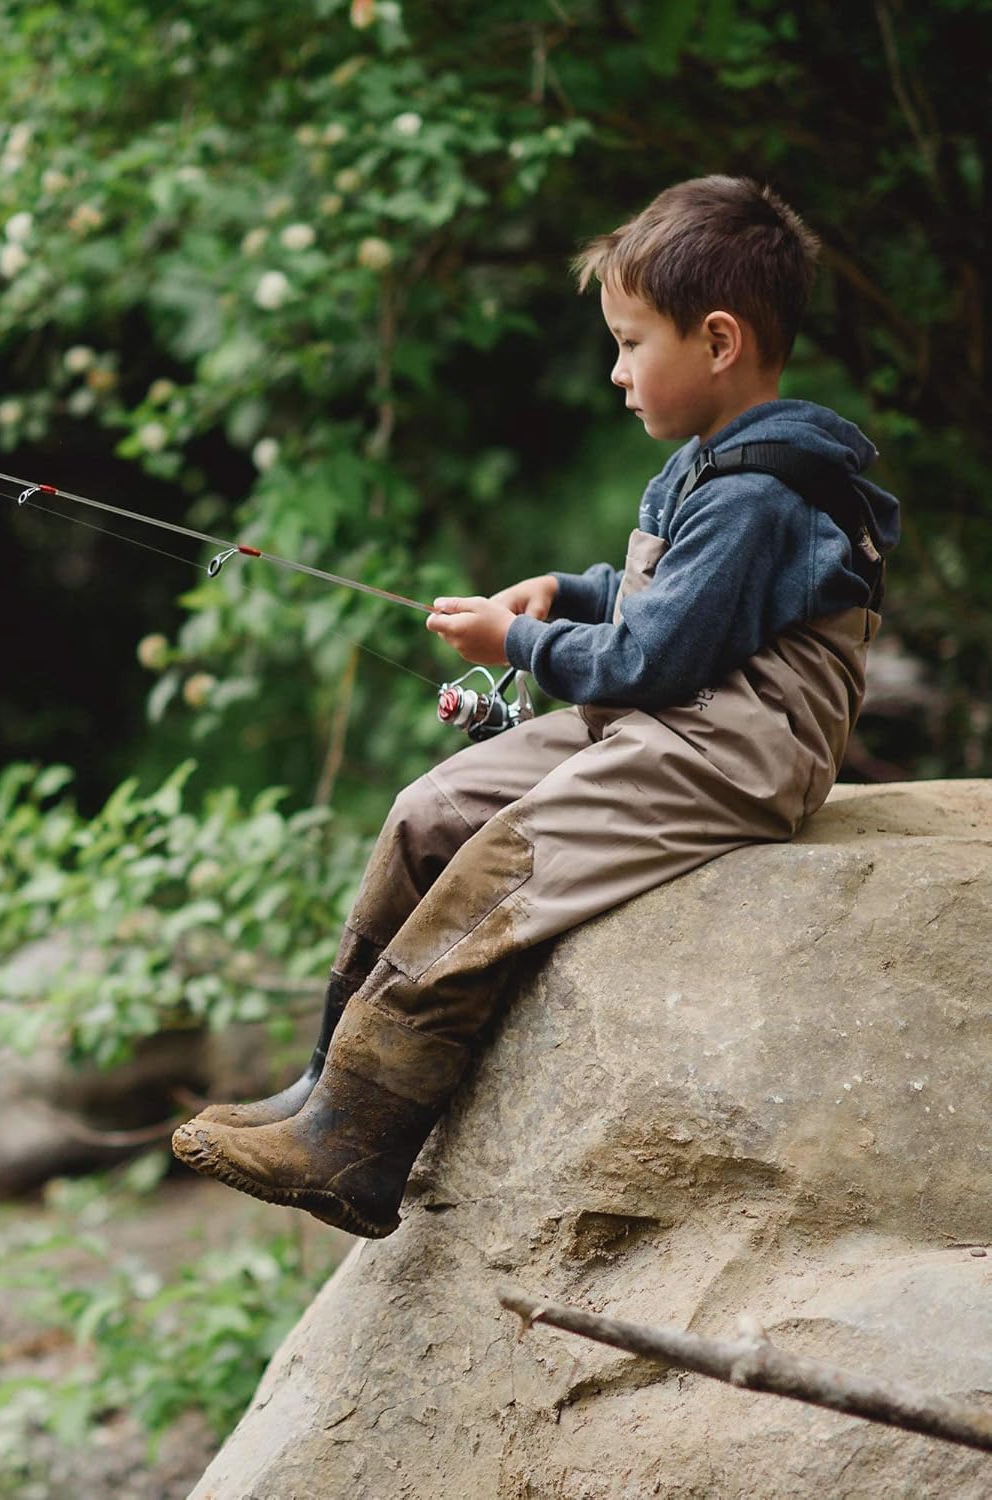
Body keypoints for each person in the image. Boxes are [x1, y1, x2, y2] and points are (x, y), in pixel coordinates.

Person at [171, 175, 901, 1239]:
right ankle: (329, 1080)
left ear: (719, 341)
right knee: (431, 811)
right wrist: (566, 592)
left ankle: (358, 1143)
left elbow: (650, 657)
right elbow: (676, 606)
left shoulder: (761, 491)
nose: (616, 372)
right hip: (674, 717)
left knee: (501, 868)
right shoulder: (708, 468)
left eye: (631, 344)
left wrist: (514, 643)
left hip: (734, 752)